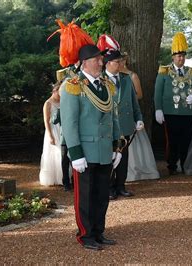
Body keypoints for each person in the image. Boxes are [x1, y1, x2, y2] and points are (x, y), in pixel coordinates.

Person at [60, 43, 122, 251]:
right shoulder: (73, 85)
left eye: (100, 58)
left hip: (105, 150)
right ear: (85, 63)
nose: (100, 61)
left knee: (102, 194)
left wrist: (117, 147)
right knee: (85, 196)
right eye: (96, 59)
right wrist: (75, 153)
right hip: (85, 152)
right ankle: (85, 235)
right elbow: (69, 123)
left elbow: (113, 118)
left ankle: (98, 231)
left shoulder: (106, 85)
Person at [97, 34, 144, 200]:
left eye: (121, 61)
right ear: (108, 63)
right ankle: (109, 187)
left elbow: (134, 102)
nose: (121, 64)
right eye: (117, 62)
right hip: (108, 126)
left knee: (123, 158)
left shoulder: (126, 79)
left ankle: (121, 185)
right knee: (109, 157)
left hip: (125, 124)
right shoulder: (100, 81)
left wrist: (139, 118)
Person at [154, 32, 192, 176]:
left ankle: (185, 164)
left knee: (187, 140)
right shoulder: (164, 71)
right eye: (178, 56)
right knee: (172, 140)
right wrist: (158, 109)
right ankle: (171, 165)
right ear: (173, 57)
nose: (181, 58)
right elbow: (158, 92)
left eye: (183, 56)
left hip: (188, 112)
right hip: (171, 112)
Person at [119, 53, 160, 182]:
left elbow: (140, 94)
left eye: (122, 60)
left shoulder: (132, 76)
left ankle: (135, 169)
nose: (120, 62)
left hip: (129, 112)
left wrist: (126, 100)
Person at [54, 62, 81, 191]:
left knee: (75, 159)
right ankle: (66, 182)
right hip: (65, 135)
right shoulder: (60, 105)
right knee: (65, 159)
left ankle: (74, 181)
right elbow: (55, 119)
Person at [38, 82, 62, 186]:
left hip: (62, 130)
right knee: (55, 153)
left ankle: (62, 177)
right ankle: (52, 178)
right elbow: (46, 120)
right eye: (59, 92)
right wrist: (50, 136)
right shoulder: (48, 103)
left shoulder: (62, 101)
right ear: (55, 91)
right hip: (53, 130)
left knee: (63, 153)